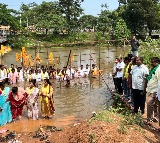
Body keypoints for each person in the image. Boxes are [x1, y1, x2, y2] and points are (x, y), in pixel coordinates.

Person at [146, 57, 160, 123]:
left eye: (152, 62)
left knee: (149, 103)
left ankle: (149, 119)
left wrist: (157, 92)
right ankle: (155, 117)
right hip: (152, 90)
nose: (151, 63)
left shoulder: (158, 69)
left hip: (155, 90)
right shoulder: (154, 69)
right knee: (154, 105)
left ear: (157, 62)